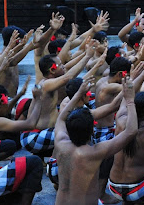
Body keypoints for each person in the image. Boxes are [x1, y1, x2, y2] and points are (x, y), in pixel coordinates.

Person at [53, 76, 138, 205]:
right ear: (93, 131)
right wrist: (130, 101)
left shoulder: (60, 143)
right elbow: (130, 131)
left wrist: (77, 95)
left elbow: (61, 119)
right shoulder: (95, 152)